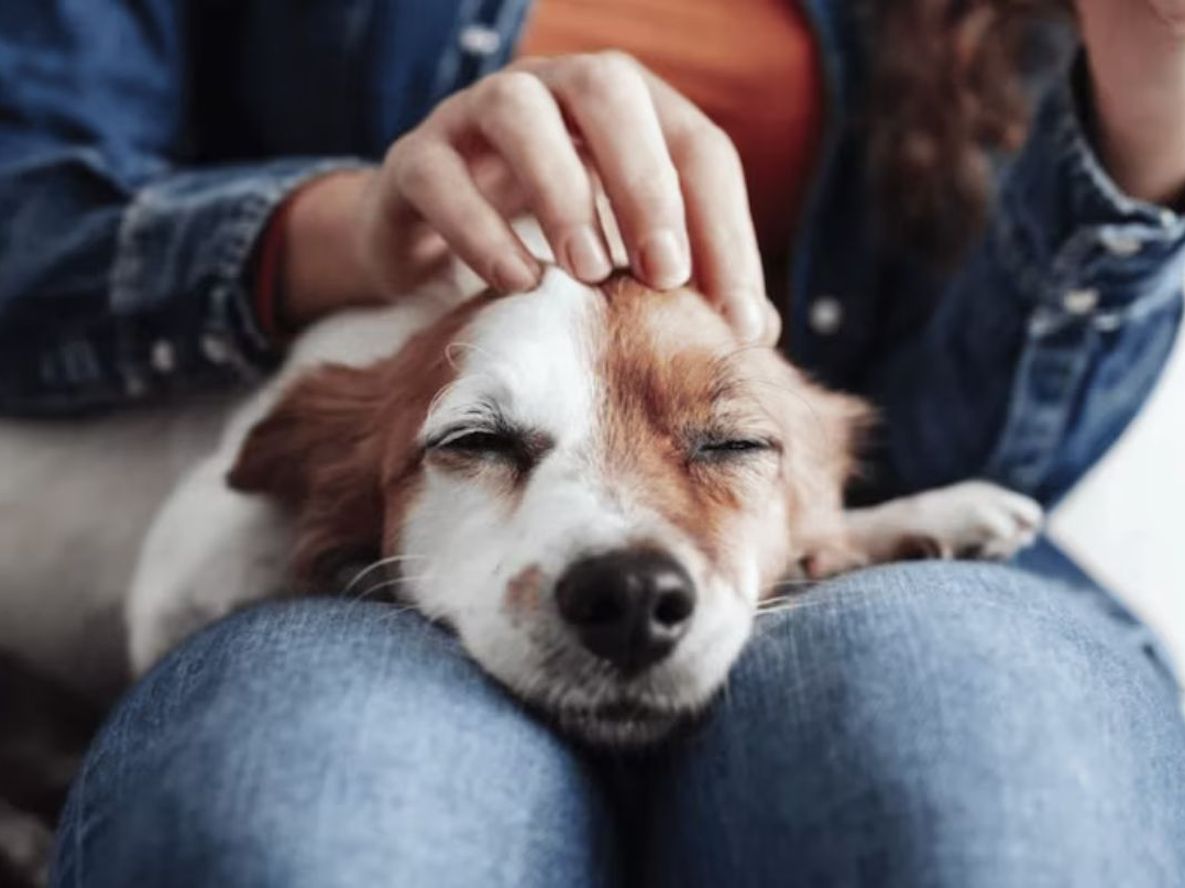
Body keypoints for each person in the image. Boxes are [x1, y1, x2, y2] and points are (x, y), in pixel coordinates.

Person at [1, 0, 1182, 884]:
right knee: (316, 817)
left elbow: (966, 455)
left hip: (815, 555)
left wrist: (1145, 114)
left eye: (722, 444)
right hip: (375, 583)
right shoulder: (338, 446)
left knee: (979, 788)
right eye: (484, 441)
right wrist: (340, 231)